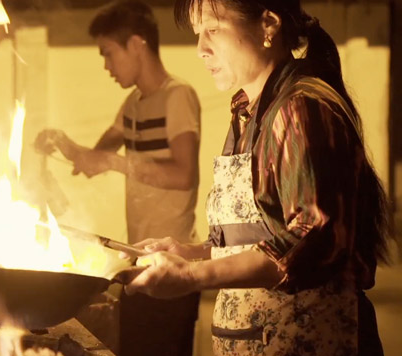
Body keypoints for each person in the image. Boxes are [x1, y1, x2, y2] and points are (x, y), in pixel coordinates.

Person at [123, 0, 393, 355]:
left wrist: (190, 276)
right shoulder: (246, 113)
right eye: (198, 34)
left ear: (268, 25)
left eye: (213, 30)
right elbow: (256, 237)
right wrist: (190, 253)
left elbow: (309, 240)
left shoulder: (301, 108)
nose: (201, 49)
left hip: (306, 342)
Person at [34, 1, 201, 355]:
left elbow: (185, 175)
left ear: (137, 44)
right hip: (138, 262)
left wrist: (113, 161)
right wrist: (63, 143)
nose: (106, 66)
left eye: (108, 53)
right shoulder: (132, 105)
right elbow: (94, 158)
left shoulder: (178, 95)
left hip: (174, 267)